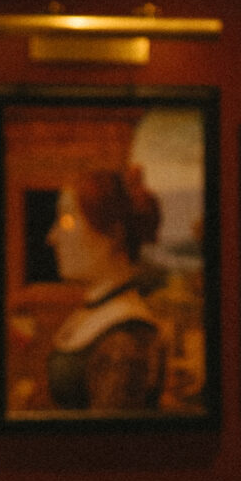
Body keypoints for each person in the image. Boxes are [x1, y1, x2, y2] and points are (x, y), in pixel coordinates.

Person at [43, 167, 167, 412]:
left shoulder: (127, 335)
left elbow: (111, 434)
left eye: (67, 221)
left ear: (114, 235)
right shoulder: (96, 310)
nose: (52, 237)